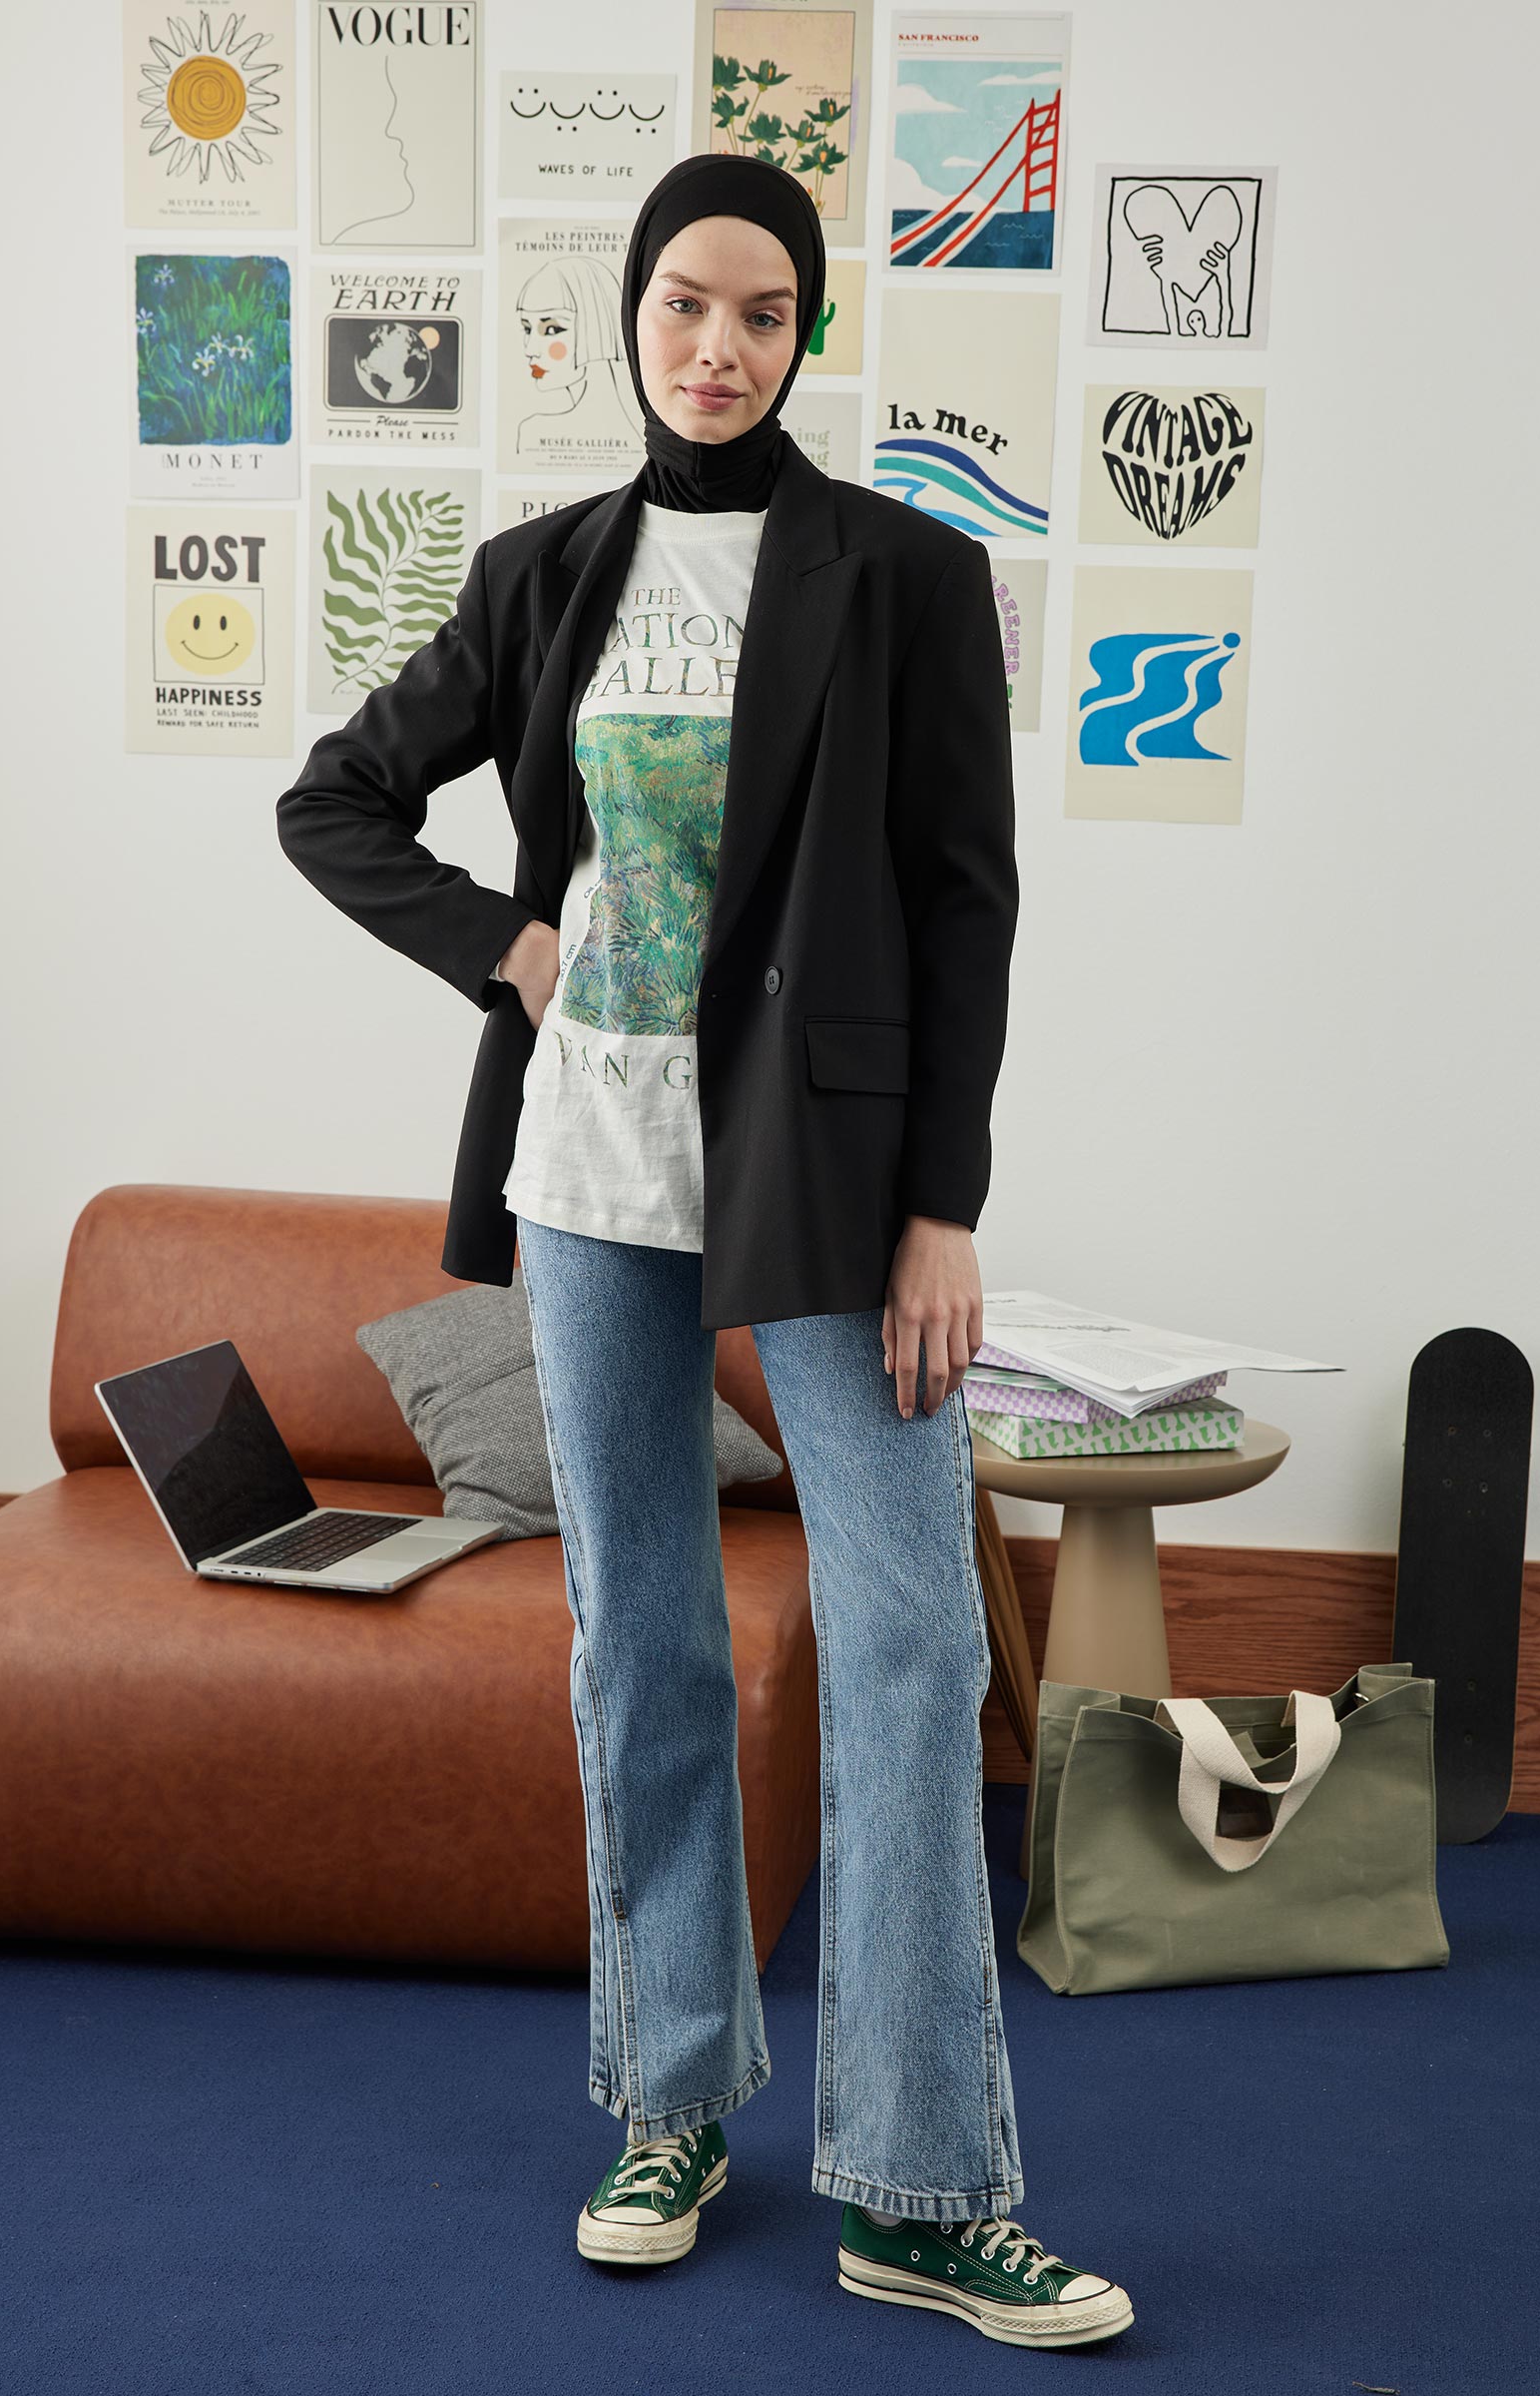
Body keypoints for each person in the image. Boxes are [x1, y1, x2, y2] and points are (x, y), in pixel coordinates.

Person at [276, 151, 1135, 2352]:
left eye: (762, 310)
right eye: (684, 302)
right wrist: (504, 948)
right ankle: (668, 2102)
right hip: (589, 1174)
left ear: (806, 332)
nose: (718, 344)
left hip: (830, 1185)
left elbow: (965, 908)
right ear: (632, 316)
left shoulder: (909, 574)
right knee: (641, 1643)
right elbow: (334, 800)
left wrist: (946, 1206)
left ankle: (919, 2188)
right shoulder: (547, 571)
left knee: (914, 1645)